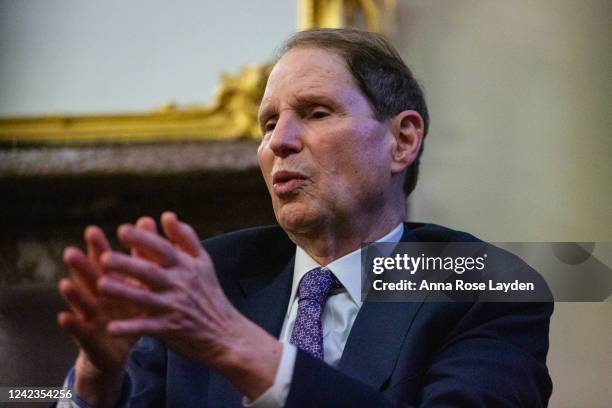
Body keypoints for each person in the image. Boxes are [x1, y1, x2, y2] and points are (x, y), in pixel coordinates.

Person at [57, 28, 553, 407]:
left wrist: (238, 345)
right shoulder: (215, 273)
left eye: (316, 113)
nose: (279, 142)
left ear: (402, 140)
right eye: (268, 123)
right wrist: (97, 381)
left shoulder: (484, 287)